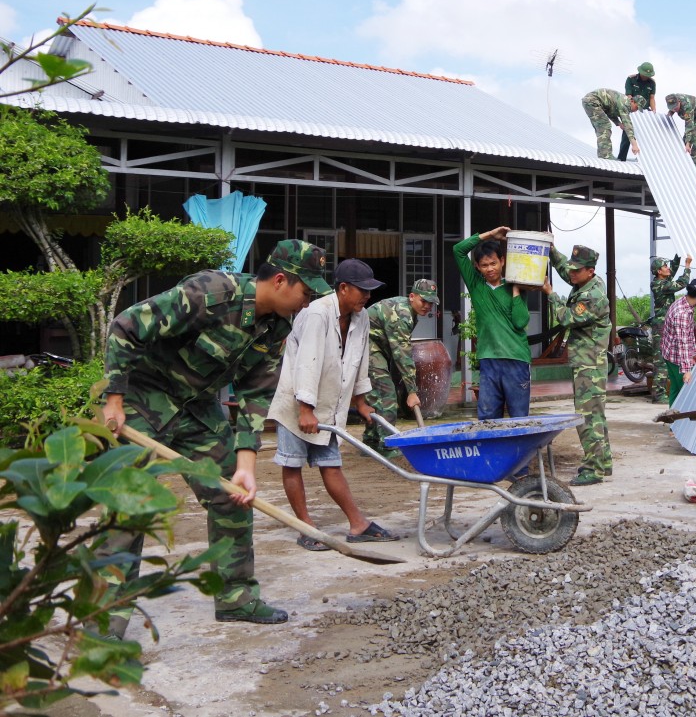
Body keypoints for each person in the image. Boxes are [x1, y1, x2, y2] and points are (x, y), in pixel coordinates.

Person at [99, 239, 332, 630]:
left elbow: (256, 395)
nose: (306, 302)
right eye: (306, 292)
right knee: (128, 508)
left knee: (231, 497)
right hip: (143, 400)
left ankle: (237, 597)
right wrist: (114, 398)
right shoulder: (211, 293)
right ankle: (106, 620)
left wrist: (245, 466)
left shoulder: (277, 326)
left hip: (198, 410)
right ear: (280, 280)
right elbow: (126, 325)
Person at [268, 258, 395, 550]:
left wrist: (361, 402)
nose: (367, 296)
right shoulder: (316, 314)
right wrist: (305, 409)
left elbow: (359, 361)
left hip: (327, 404)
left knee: (331, 464)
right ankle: (305, 527)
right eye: (361, 290)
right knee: (292, 464)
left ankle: (358, 523)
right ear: (343, 288)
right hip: (296, 402)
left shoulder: (360, 317)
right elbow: (307, 362)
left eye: (369, 290)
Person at [543, 244, 612, 486]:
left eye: (577, 270)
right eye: (571, 269)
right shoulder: (588, 283)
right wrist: (552, 250)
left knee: (588, 418)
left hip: (589, 365)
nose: (571, 274)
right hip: (588, 363)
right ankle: (604, 462)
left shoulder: (592, 296)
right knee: (596, 415)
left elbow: (567, 318)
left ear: (590, 271)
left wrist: (550, 293)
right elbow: (565, 269)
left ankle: (593, 469)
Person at [454, 226, 532, 419]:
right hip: (489, 360)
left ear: (502, 261)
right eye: (484, 265)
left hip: (516, 358)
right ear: (478, 267)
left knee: (519, 416)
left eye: (493, 263)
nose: (490, 269)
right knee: (488, 417)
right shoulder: (476, 285)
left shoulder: (516, 284)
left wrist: (515, 292)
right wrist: (489, 234)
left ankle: (520, 450)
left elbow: (520, 322)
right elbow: (458, 250)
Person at [364, 278, 440, 451]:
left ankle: (371, 442)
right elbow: (402, 354)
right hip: (365, 345)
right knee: (386, 394)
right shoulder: (402, 314)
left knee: (377, 393)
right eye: (424, 301)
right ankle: (387, 444)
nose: (427, 306)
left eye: (431, 303)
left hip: (376, 347)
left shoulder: (409, 311)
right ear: (412, 296)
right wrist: (412, 392)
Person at [650, 254, 693, 404]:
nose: (668, 268)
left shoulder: (663, 280)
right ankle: (658, 393)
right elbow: (682, 283)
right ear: (658, 272)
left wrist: (678, 256)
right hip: (661, 326)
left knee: (665, 358)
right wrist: (687, 267)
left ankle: (662, 391)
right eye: (664, 267)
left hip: (665, 325)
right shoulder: (660, 285)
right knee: (661, 360)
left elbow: (672, 270)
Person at [660, 278, 696, 404]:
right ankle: (683, 421)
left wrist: (694, 353)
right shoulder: (682, 313)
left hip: (670, 354)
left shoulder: (683, 302)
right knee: (686, 393)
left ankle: (673, 420)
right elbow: (682, 343)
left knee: (676, 390)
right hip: (676, 357)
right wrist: (687, 370)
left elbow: (688, 334)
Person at [583, 89, 645, 160]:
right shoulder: (625, 104)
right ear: (632, 101)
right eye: (636, 107)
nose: (635, 110)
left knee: (601, 128)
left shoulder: (622, 101)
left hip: (590, 101)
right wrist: (634, 145)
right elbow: (628, 126)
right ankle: (605, 156)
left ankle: (602, 155)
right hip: (593, 101)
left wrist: (618, 123)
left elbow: (609, 111)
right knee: (605, 126)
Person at [617, 62, 656, 161]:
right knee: (627, 133)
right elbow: (629, 96)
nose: (646, 77)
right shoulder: (631, 79)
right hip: (632, 108)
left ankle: (642, 159)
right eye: (645, 74)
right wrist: (632, 106)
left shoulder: (652, 83)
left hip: (644, 111)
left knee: (645, 135)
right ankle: (622, 158)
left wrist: (654, 110)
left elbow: (652, 98)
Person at [665, 93, 696, 167]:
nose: (674, 109)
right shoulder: (673, 101)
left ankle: (694, 163)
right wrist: (670, 113)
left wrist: (688, 143)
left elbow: (689, 125)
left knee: (695, 137)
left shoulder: (687, 106)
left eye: (676, 107)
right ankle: (683, 160)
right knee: (685, 139)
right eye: (672, 108)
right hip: (692, 115)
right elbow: (673, 108)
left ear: (679, 101)